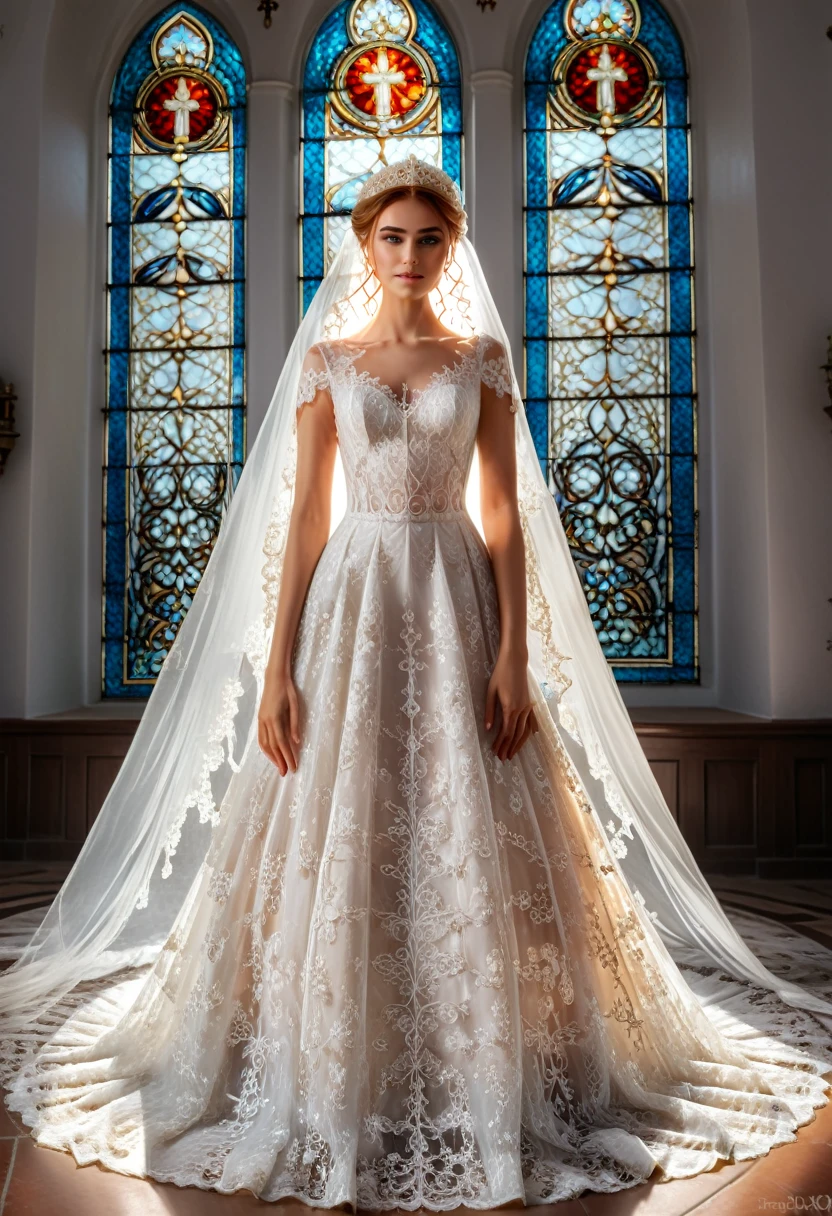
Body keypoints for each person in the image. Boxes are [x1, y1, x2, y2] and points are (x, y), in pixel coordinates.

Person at [0, 156, 830, 1209]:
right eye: (391, 237)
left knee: (464, 816)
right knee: (339, 819)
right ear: (363, 244)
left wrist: (513, 653)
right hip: (350, 602)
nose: (409, 255)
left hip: (455, 598)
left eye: (428, 238)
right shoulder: (329, 364)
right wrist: (278, 670)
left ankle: (482, 1052)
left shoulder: (480, 359)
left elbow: (502, 515)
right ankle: (333, 1048)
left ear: (452, 246)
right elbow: (303, 519)